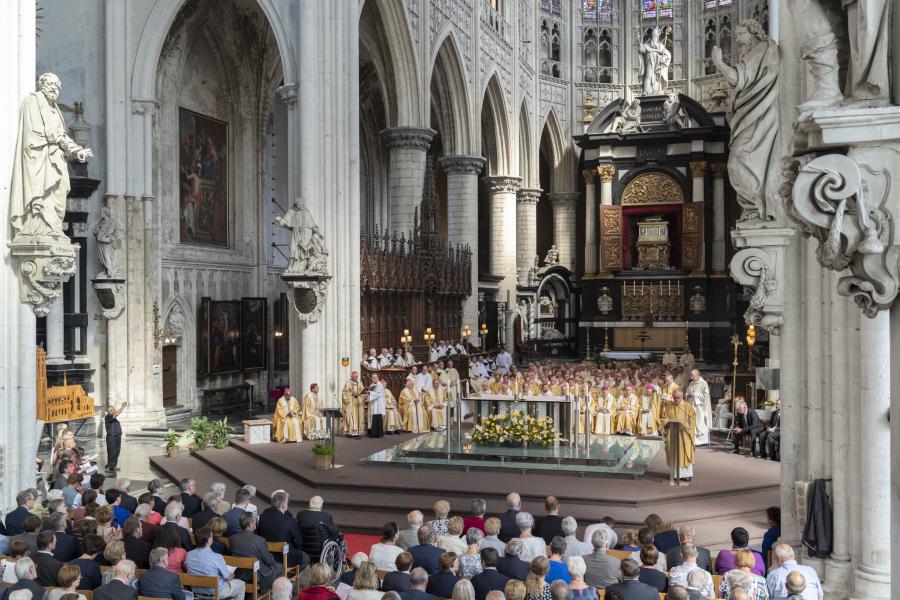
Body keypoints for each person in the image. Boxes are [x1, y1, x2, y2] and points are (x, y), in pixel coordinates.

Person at [185, 527, 245, 600]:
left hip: (197, 594)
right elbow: (228, 577)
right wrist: (233, 575)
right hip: (216, 593)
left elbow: (187, 568)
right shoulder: (217, 557)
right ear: (208, 540)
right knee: (241, 584)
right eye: (211, 536)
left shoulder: (188, 555)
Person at [229, 512, 278, 592]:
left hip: (239, 574)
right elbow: (269, 561)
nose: (256, 523)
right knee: (279, 567)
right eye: (255, 521)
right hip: (256, 575)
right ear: (250, 524)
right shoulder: (260, 540)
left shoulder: (232, 539)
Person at [257, 491, 307, 569]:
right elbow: (298, 542)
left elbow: (258, 534)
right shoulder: (289, 521)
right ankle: (290, 576)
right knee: (306, 558)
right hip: (284, 557)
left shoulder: (262, 516)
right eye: (287, 502)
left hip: (267, 554)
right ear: (283, 504)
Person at [659, 390, 697, 481]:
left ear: (682, 396)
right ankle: (676, 475)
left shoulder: (688, 407)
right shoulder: (669, 406)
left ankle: (687, 475)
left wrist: (687, 426)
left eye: (678, 398)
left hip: (684, 434)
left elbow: (692, 420)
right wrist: (666, 423)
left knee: (684, 453)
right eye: (675, 398)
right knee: (673, 453)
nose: (676, 400)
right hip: (672, 433)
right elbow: (665, 417)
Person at [104, 401, 126, 474]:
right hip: (111, 438)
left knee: (117, 451)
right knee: (111, 452)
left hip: (117, 437)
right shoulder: (108, 417)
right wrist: (123, 407)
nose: (115, 410)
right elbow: (116, 414)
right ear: (110, 411)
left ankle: (113, 465)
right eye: (113, 409)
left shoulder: (114, 418)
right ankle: (109, 466)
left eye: (114, 409)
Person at [342, 372, 366, 438]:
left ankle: (358, 432)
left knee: (359, 416)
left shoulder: (360, 383)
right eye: (355, 376)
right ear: (352, 376)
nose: (356, 378)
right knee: (351, 416)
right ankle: (351, 432)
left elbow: (363, 391)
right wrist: (351, 394)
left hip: (358, 402)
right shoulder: (348, 383)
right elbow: (344, 393)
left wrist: (359, 394)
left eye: (357, 376)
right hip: (351, 402)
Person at [368, 374, 386, 438]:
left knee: (377, 417)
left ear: (377, 378)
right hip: (373, 403)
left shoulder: (380, 385)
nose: (373, 378)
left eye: (374, 377)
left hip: (377, 403)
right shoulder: (372, 385)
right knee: (372, 417)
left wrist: (370, 393)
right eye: (372, 377)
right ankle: (372, 432)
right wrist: (368, 393)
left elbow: (378, 394)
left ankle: (377, 433)